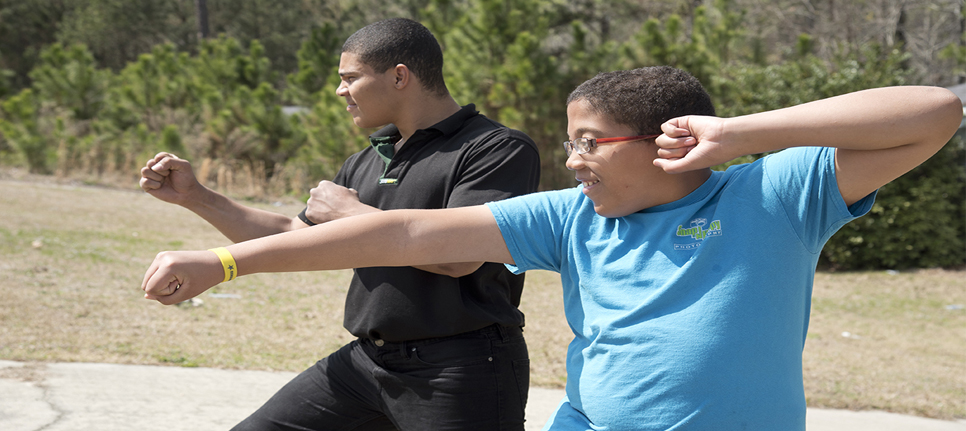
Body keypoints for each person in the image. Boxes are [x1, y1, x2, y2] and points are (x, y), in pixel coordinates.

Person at [141, 66, 963, 430]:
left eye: (590, 143)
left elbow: (934, 111)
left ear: (667, 141)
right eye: (570, 142)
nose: (572, 160)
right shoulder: (573, 214)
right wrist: (223, 262)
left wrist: (739, 134)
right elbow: (400, 231)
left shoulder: (773, 193)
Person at [138, 18, 540, 431]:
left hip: (460, 366)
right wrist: (197, 196)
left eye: (350, 78)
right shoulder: (367, 160)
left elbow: (460, 258)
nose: (339, 90)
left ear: (400, 76)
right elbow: (292, 237)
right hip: (367, 362)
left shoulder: (496, 148)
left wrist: (351, 215)